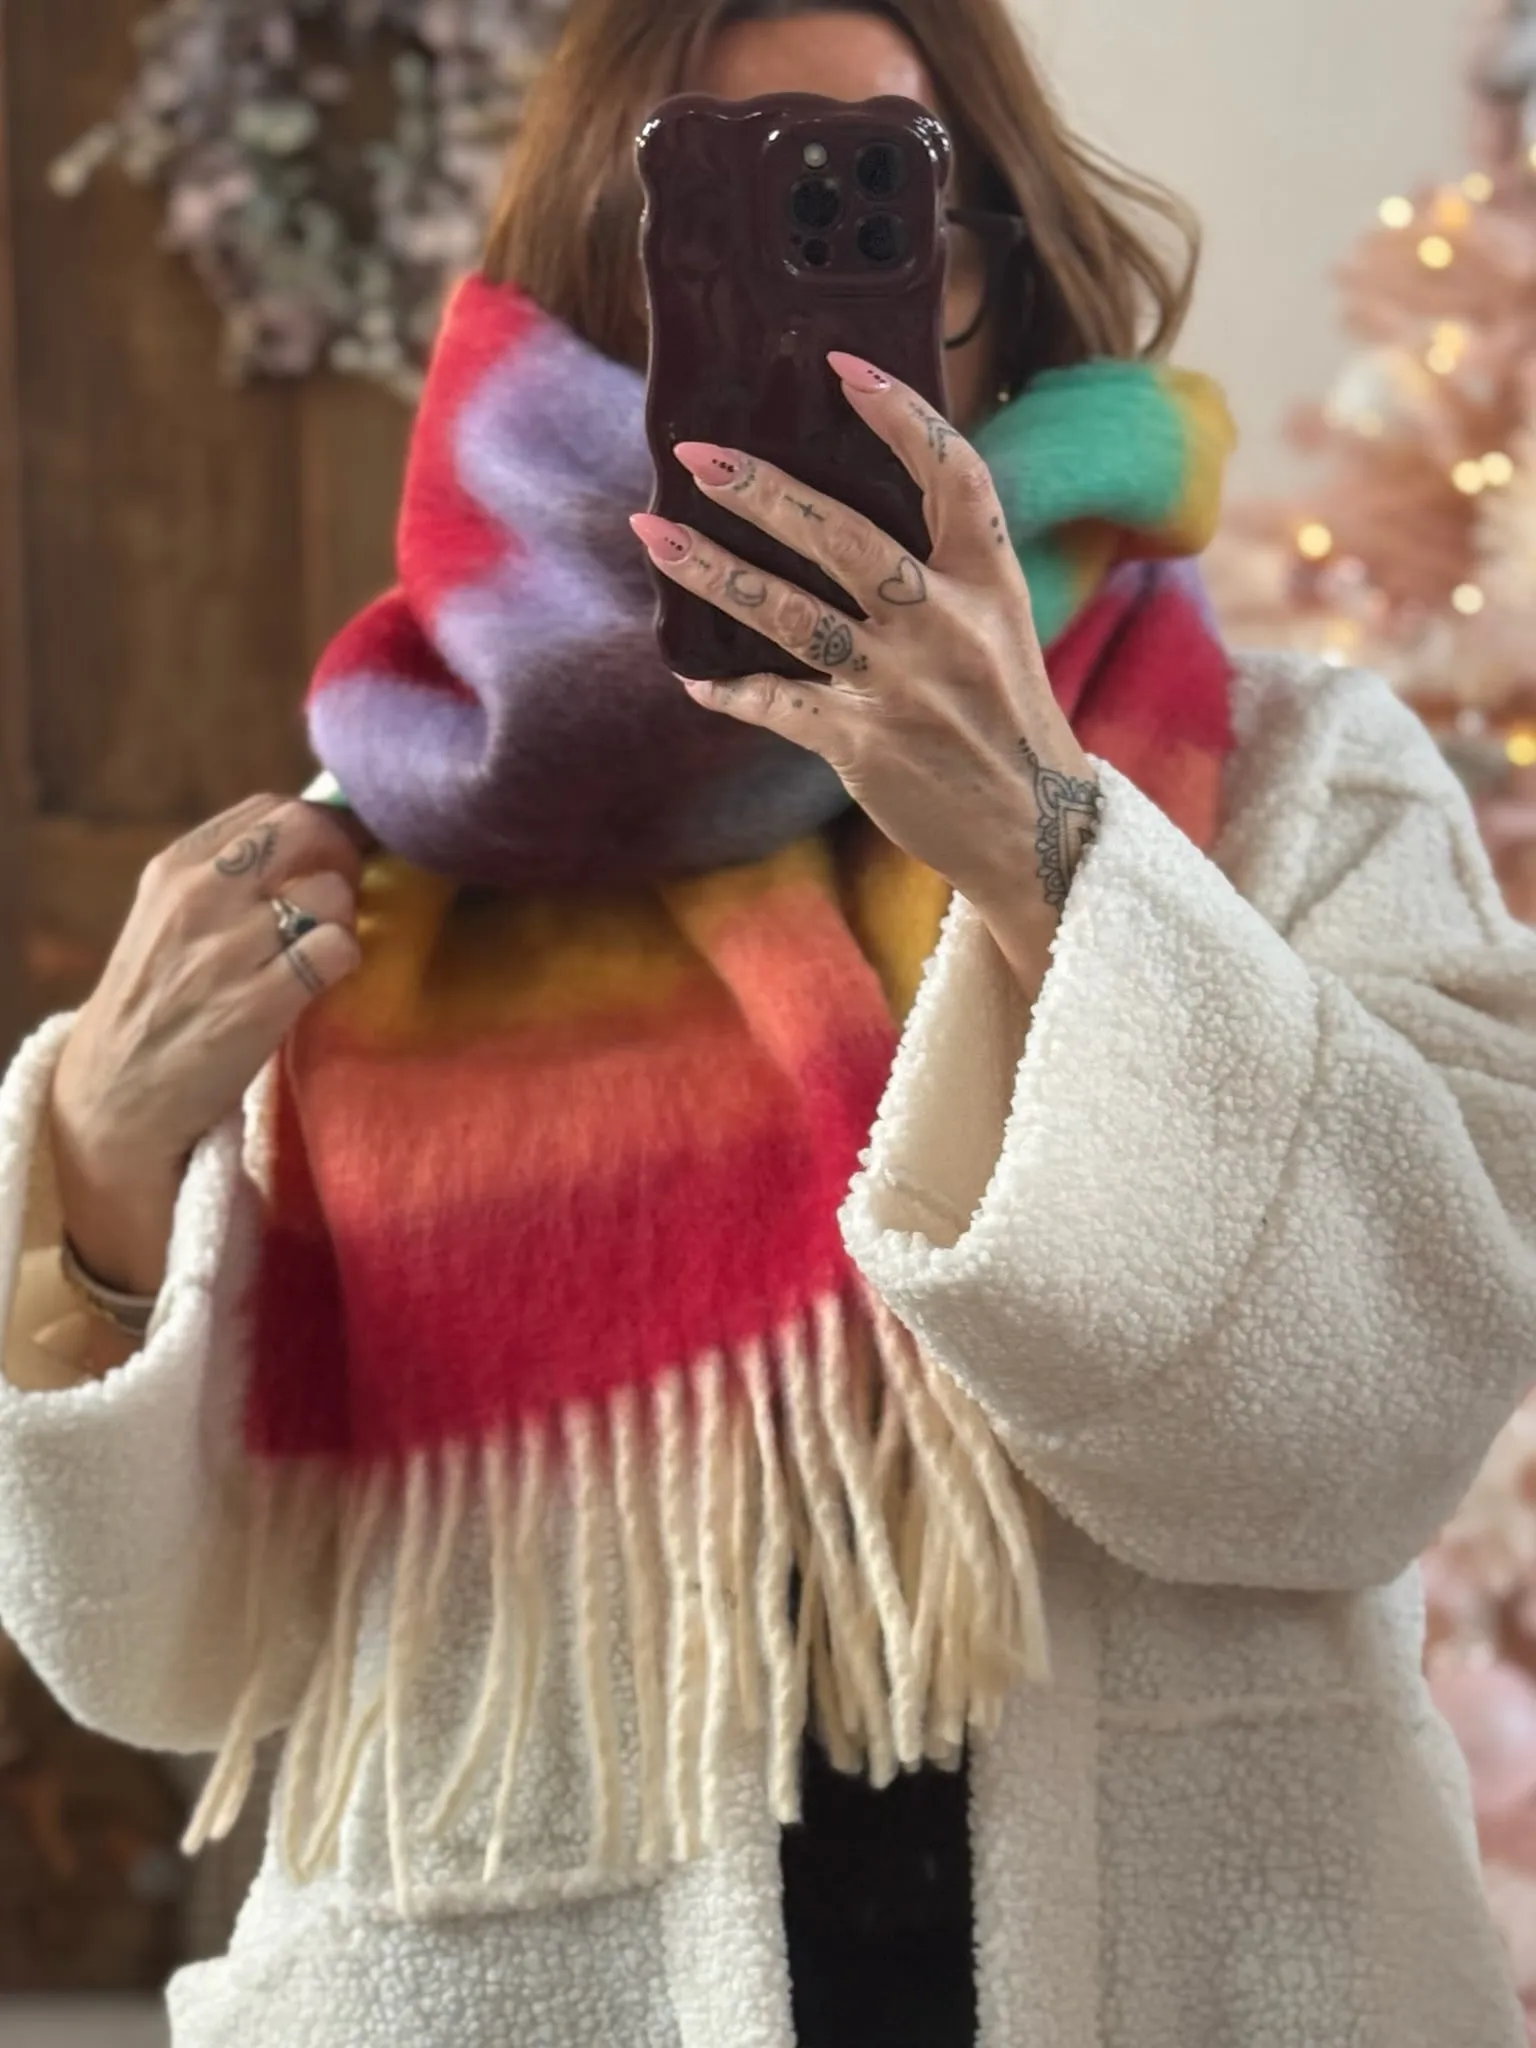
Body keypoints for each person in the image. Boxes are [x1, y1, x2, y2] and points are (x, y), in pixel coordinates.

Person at [0, 2, 1533, 2044]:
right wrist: (94, 1172)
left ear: (999, 267)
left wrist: (1057, 855)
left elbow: (1371, 1439)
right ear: (577, 304)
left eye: (875, 199)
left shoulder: (1288, 776)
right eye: (706, 214)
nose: (802, 282)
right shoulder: (359, 873)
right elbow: (155, 1658)